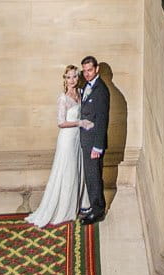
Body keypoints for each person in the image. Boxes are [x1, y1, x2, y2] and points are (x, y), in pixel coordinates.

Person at [26, 66, 93, 227]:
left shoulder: (80, 93)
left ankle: (80, 203)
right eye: (69, 77)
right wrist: (80, 122)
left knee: (78, 170)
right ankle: (65, 208)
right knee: (68, 172)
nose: (72, 80)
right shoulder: (63, 98)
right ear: (65, 79)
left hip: (78, 138)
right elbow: (61, 122)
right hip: (67, 139)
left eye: (75, 77)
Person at [78, 55, 110, 224]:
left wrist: (98, 146)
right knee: (90, 176)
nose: (87, 74)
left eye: (90, 70)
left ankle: (98, 211)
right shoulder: (86, 85)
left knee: (94, 176)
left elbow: (102, 119)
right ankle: (93, 204)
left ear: (97, 69)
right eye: (85, 71)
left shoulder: (101, 90)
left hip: (93, 143)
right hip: (86, 140)